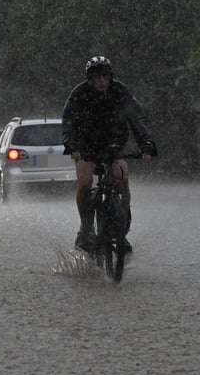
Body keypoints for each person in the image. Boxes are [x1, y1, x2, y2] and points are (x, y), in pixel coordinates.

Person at [62, 55, 156, 253]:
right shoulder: (79, 94)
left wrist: (146, 143)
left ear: (110, 76)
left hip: (113, 146)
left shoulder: (120, 92)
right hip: (86, 147)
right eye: (97, 77)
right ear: (90, 79)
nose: (101, 81)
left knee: (122, 176)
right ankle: (86, 227)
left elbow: (137, 118)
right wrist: (71, 145)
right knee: (85, 182)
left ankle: (122, 228)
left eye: (104, 76)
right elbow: (68, 120)